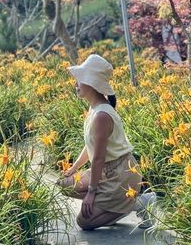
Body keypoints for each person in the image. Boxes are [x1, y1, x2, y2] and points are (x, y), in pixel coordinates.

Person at [55, 54, 154, 230]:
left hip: (120, 175)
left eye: (80, 80)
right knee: (64, 185)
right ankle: (111, 203)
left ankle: (138, 203)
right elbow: (91, 146)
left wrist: (91, 193)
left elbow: (99, 158)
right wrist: (74, 168)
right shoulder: (94, 108)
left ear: (92, 84)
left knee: (84, 222)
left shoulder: (102, 115)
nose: (75, 84)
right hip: (105, 172)